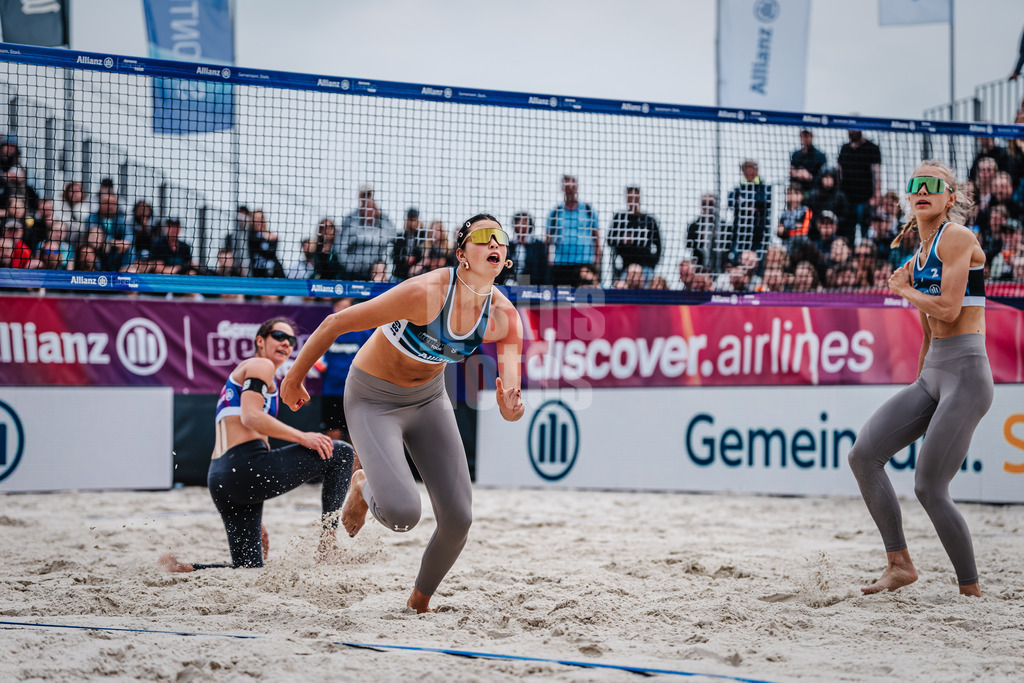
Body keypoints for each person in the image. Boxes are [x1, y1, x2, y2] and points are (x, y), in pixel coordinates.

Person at [280, 214, 525, 614]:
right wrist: (293, 379)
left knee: (459, 520)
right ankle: (361, 485)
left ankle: (419, 602)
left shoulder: (504, 317)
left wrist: (510, 409)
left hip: (428, 401)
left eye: (500, 237)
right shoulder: (426, 293)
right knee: (402, 515)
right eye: (483, 236)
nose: (494, 242)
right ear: (462, 255)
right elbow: (335, 322)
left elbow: (512, 402)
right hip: (373, 398)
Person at [847, 160, 991, 598]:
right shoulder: (918, 256)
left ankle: (970, 591)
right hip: (935, 373)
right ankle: (899, 564)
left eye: (933, 184)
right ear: (909, 196)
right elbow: (930, 328)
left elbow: (948, 308)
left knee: (929, 486)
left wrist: (905, 289)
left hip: (967, 374)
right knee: (863, 455)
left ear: (950, 197)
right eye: (916, 184)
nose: (923, 190)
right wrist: (922, 377)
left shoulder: (958, 237)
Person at [158, 318, 355, 573]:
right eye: (278, 336)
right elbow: (250, 417)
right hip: (245, 466)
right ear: (260, 341)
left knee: (248, 567)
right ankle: (329, 548)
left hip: (222, 477)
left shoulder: (248, 373)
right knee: (341, 453)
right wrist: (302, 437)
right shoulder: (261, 365)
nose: (286, 343)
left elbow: (249, 425)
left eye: (291, 340)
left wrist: (252, 498)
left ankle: (185, 568)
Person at [317, 298, 373, 447]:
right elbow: (315, 359)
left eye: (344, 306)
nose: (340, 310)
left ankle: (355, 465)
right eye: (337, 306)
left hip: (355, 392)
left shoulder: (363, 332)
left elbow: (373, 358)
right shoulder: (326, 331)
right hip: (331, 390)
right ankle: (335, 463)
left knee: (356, 435)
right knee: (332, 434)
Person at [547, 175, 600, 286]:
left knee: (585, 294)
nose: (570, 191)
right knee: (561, 295)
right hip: (561, 263)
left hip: (585, 263)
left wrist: (597, 261)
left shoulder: (588, 210)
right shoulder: (555, 212)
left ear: (576, 188)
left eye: (572, 187)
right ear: (563, 189)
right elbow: (547, 239)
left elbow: (597, 237)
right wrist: (548, 260)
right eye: (567, 187)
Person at [337, 184, 395, 280]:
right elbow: (341, 246)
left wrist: (383, 264)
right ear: (359, 196)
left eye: (368, 194)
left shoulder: (384, 219)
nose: (366, 197)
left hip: (376, 272)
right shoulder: (350, 219)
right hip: (354, 272)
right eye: (364, 194)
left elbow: (392, 242)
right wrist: (350, 265)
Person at [607, 186, 662, 282]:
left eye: (635, 197)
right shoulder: (619, 218)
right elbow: (610, 240)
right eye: (630, 197)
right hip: (625, 268)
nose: (633, 200)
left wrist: (652, 264)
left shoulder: (649, 221)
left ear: (639, 198)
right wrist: (622, 240)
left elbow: (658, 245)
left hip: (646, 268)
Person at [837, 130, 882, 242]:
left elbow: (877, 173)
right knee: (848, 233)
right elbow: (839, 172)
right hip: (847, 199)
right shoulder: (845, 148)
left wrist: (876, 195)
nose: (852, 132)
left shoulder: (872, 148)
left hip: (865, 199)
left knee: (866, 233)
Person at [725, 160, 771, 263]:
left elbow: (762, 203)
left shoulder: (764, 188)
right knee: (737, 261)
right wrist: (748, 206)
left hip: (759, 234)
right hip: (740, 234)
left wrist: (743, 204)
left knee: (757, 261)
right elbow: (732, 203)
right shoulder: (738, 189)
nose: (749, 173)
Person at [499, 211, 549, 285]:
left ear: (530, 225)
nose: (521, 225)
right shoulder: (508, 245)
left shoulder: (538, 245)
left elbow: (543, 267)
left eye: (525, 222)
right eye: (519, 221)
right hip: (510, 281)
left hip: (533, 282)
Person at [789, 129, 827, 195]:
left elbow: (823, 177)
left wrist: (809, 176)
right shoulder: (795, 155)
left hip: (813, 190)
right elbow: (791, 172)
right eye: (803, 135)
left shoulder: (820, 156)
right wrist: (797, 174)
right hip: (798, 190)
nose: (805, 138)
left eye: (807, 136)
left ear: (812, 136)